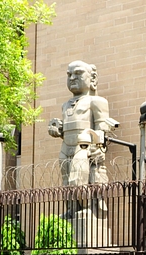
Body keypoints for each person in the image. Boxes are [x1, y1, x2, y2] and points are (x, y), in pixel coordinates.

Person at [48, 60, 111, 190]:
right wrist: (58, 130)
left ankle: (87, 207)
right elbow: (67, 129)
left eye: (78, 73)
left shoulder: (96, 101)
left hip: (84, 147)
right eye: (69, 74)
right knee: (66, 182)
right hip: (66, 147)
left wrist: (99, 147)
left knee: (80, 180)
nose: (72, 78)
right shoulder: (65, 105)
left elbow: (102, 127)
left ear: (92, 78)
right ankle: (71, 208)